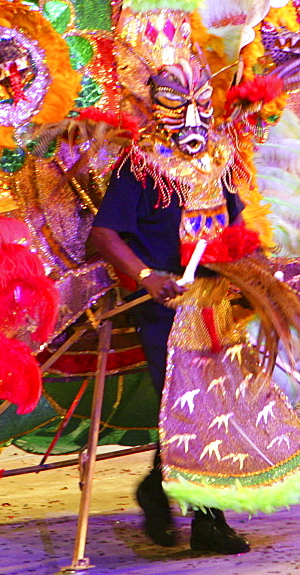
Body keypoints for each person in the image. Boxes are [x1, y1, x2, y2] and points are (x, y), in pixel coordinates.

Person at [90, 158, 251, 556]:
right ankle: (208, 520)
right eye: (180, 103)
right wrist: (146, 276)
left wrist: (246, 272)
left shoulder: (220, 161)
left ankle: (157, 485)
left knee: (218, 401)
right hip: (164, 303)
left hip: (214, 300)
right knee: (192, 403)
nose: (193, 116)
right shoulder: (138, 167)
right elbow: (103, 235)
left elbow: (236, 225)